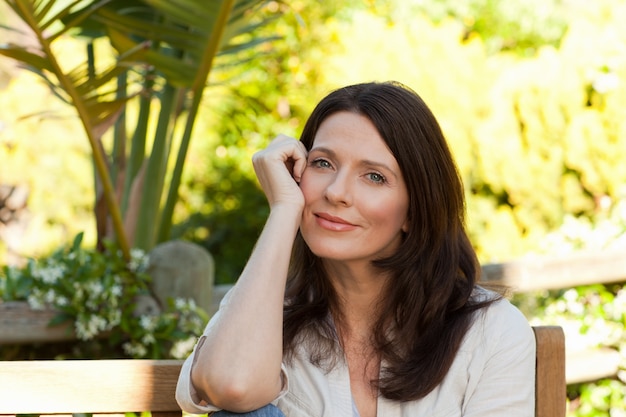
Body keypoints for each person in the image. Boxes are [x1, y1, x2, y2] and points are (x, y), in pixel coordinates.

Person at [176, 81, 536, 417]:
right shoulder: (264, 319)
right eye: (322, 163)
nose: (336, 192)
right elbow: (231, 386)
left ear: (414, 210)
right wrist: (284, 209)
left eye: (374, 176)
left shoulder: (491, 333)